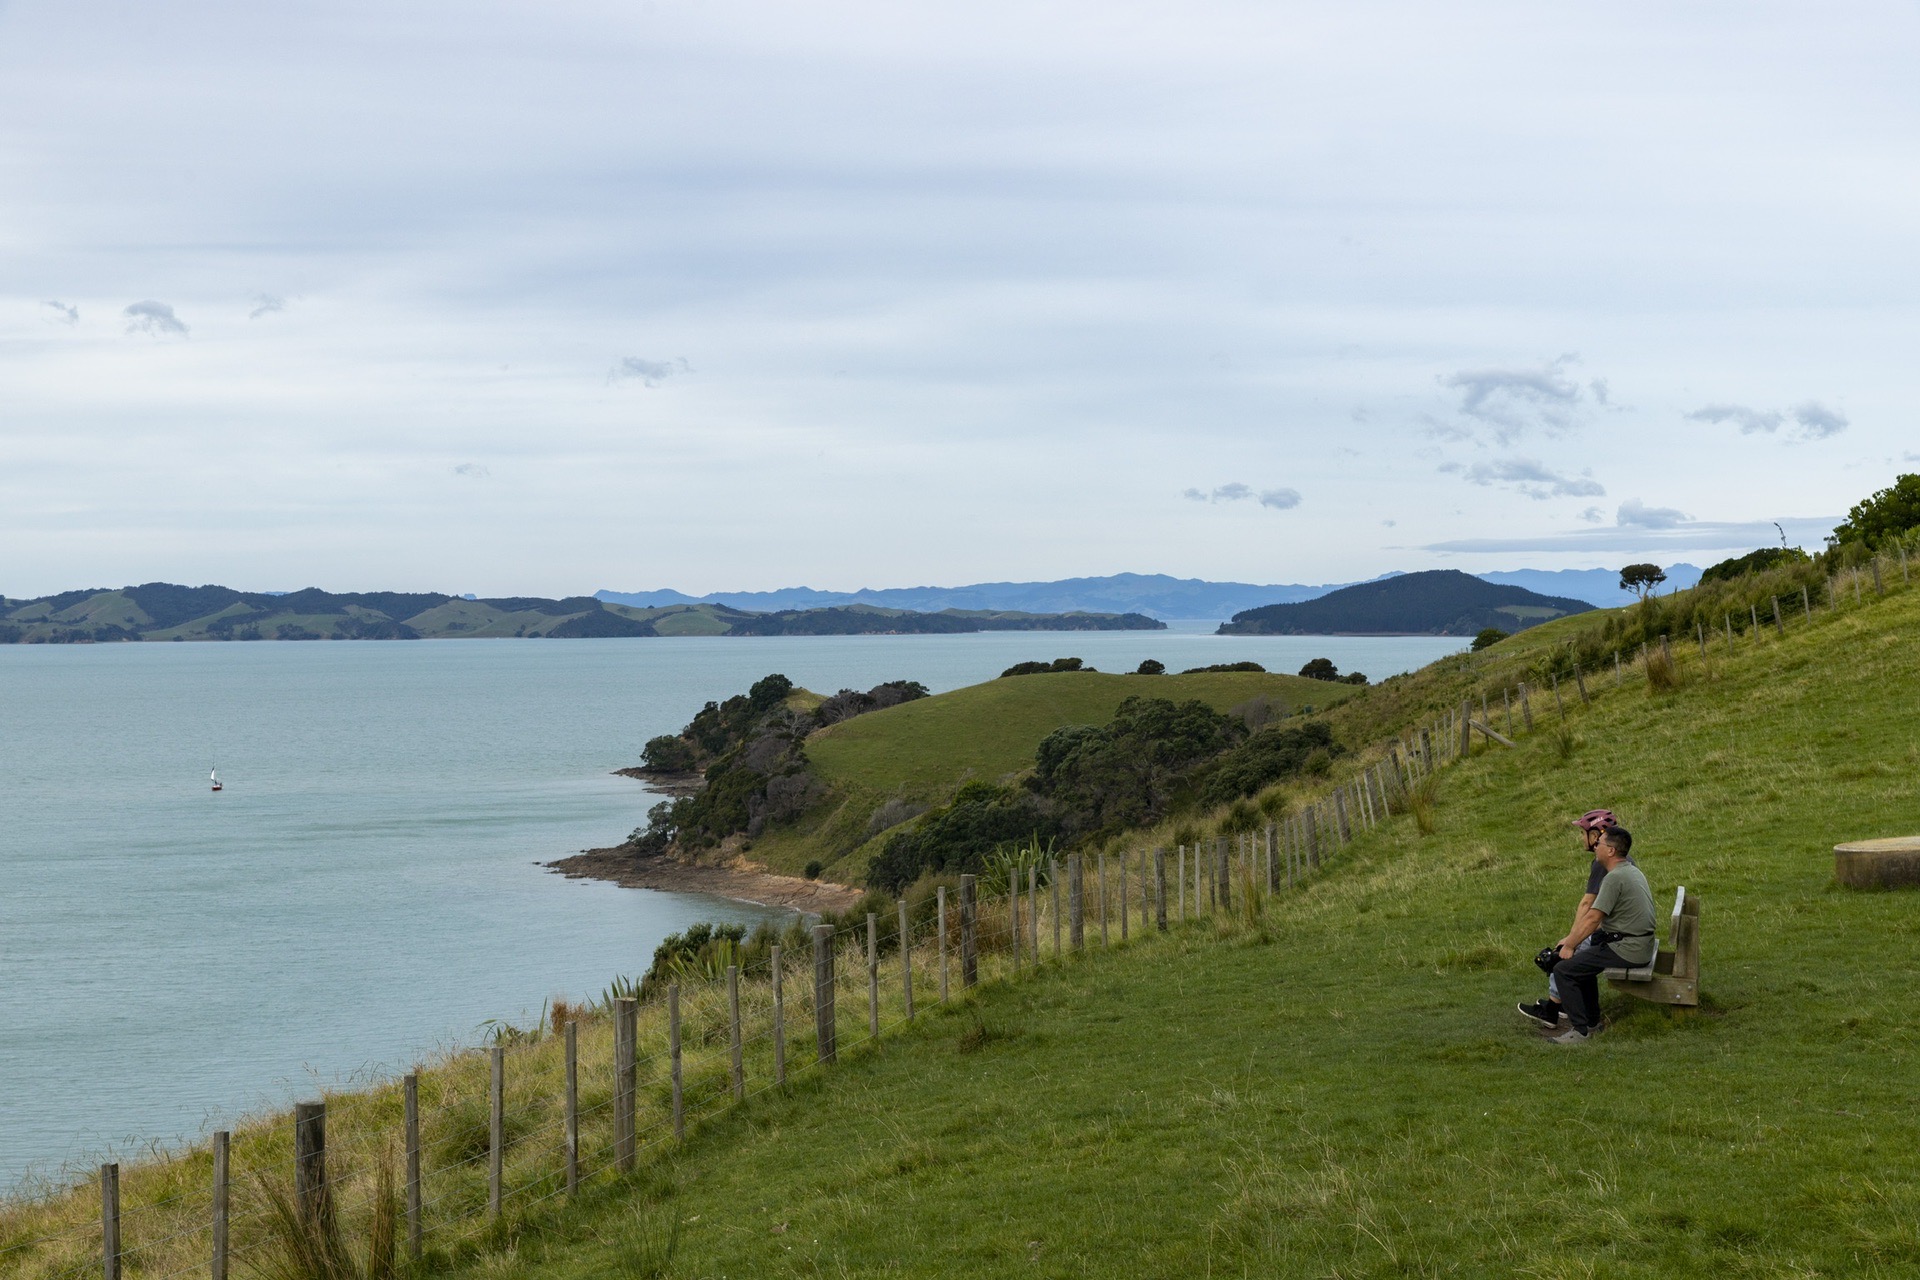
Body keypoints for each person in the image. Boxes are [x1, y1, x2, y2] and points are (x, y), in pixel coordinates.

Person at [1545, 827, 1657, 1043]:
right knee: (1580, 965)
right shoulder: (1630, 870)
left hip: (1629, 949)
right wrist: (1572, 941)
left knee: (1564, 970)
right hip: (1636, 944)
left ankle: (1581, 1031)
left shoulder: (1614, 878)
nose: (1595, 846)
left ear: (1611, 851)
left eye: (1600, 843)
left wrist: (1569, 945)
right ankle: (1592, 1023)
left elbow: (1593, 917)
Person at [1516, 809, 1622, 1028]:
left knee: (1565, 956)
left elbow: (1587, 904)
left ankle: (1553, 1011)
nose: (1581, 838)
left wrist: (1571, 939)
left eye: (1583, 832)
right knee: (1572, 946)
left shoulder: (1602, 864)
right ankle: (1559, 1005)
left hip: (1615, 936)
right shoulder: (1620, 859)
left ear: (1595, 836)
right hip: (1617, 931)